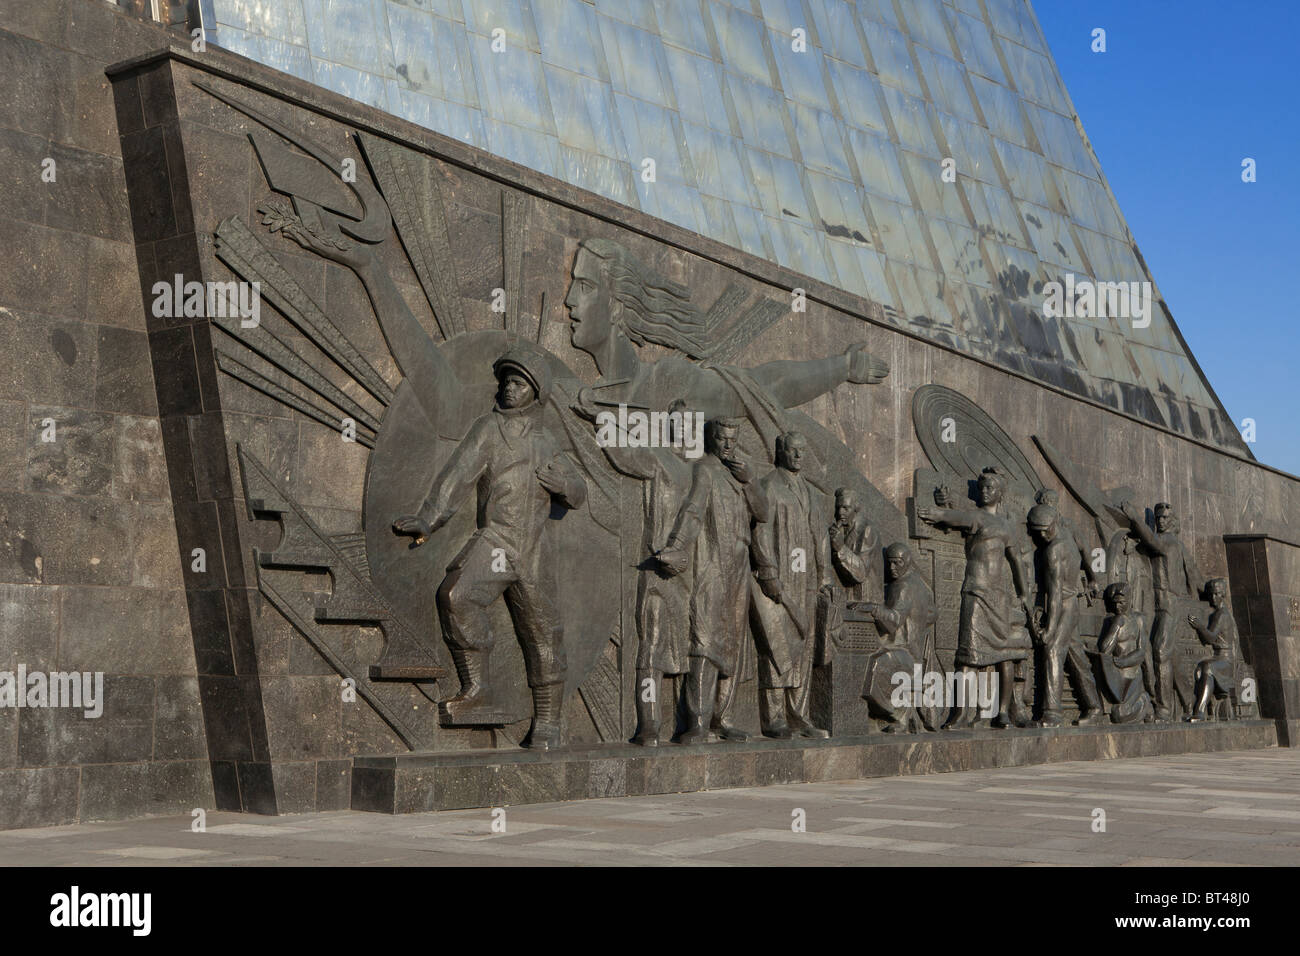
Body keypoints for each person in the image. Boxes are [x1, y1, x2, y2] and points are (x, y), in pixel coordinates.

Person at [393, 346, 587, 750]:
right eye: (505, 382)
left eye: (518, 383)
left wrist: (565, 487)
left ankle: (548, 722)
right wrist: (428, 519)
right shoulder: (487, 429)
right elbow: (457, 477)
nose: (508, 389)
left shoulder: (546, 440)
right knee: (456, 595)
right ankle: (475, 686)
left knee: (542, 632)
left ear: (534, 392)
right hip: (496, 540)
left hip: (531, 550)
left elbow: (578, 492)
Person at [571, 394, 693, 746]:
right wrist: (602, 421)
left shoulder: (702, 470)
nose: (682, 428)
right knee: (651, 650)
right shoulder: (657, 459)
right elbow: (624, 454)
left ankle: (690, 723)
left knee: (689, 653)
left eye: (688, 423)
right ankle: (649, 723)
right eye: (676, 421)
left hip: (694, 577)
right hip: (657, 572)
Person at [657, 419, 769, 743]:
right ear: (711, 439)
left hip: (738, 566)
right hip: (711, 563)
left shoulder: (740, 473)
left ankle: (723, 718)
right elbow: (692, 512)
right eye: (721, 438)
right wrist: (677, 546)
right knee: (705, 642)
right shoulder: (704, 469)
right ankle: (698, 721)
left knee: (733, 643)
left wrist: (750, 481)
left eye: (732, 439)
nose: (727, 445)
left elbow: (762, 514)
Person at [916, 467, 1033, 729]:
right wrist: (939, 514)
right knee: (967, 654)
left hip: (999, 597)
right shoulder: (976, 516)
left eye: (990, 487)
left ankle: (1002, 712)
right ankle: (961, 714)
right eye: (982, 487)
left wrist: (1023, 594)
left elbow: (1016, 562)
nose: (984, 490)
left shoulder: (1006, 527)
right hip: (976, 590)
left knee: (1005, 654)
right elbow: (956, 517)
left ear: (1000, 493)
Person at [750, 432, 833, 738]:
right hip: (780, 581)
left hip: (807, 582)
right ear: (781, 452)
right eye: (793, 450)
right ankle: (773, 718)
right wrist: (768, 572)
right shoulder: (769, 486)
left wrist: (824, 575)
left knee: (804, 647)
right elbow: (759, 532)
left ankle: (799, 713)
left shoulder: (809, 492)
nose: (798, 455)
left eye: (802, 450)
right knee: (777, 646)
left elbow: (820, 536)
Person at [1026, 501, 1106, 727]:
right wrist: (1092, 578)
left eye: (1040, 532)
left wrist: (1050, 628)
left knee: (1053, 651)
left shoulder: (1053, 550)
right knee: (1076, 656)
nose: (1038, 537)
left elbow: (1055, 593)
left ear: (1047, 527)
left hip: (1064, 605)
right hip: (1071, 604)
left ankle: (1052, 713)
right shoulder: (1069, 533)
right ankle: (1095, 707)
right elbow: (1085, 550)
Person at [1119, 501, 1200, 720]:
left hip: (1169, 604)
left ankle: (1163, 708)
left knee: (1160, 651)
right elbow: (1146, 547)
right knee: (1168, 655)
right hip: (1154, 603)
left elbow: (1154, 543)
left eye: (1165, 518)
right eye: (1158, 519)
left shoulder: (1171, 542)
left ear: (1172, 521)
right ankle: (1189, 701)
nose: (1161, 522)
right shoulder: (1160, 540)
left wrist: (1135, 517)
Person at [855, 543, 937, 732]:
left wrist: (874, 609)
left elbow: (894, 620)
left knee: (874, 668)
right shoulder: (919, 584)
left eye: (897, 563)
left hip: (904, 652)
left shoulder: (903, 586)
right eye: (889, 563)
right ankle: (903, 716)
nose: (892, 568)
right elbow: (933, 613)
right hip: (911, 651)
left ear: (907, 561)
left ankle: (900, 714)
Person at [1187, 578, 1241, 722]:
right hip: (1219, 657)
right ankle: (1196, 707)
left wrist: (1199, 626)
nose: (1213, 598)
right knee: (1200, 670)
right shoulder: (1218, 613)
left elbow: (1210, 638)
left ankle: (1199, 711)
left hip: (1226, 660)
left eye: (1217, 594)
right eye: (1211, 594)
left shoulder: (1222, 614)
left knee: (1207, 668)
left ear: (1223, 595)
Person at [1096, 582, 1151, 724]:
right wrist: (1116, 625)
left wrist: (1125, 661)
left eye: (1121, 603)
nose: (1117, 607)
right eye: (1114, 603)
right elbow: (1104, 650)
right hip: (1116, 675)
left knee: (1119, 715)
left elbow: (1141, 651)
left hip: (1133, 674)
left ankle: (1145, 702)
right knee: (1116, 713)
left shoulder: (1139, 620)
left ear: (1129, 600)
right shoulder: (1112, 621)